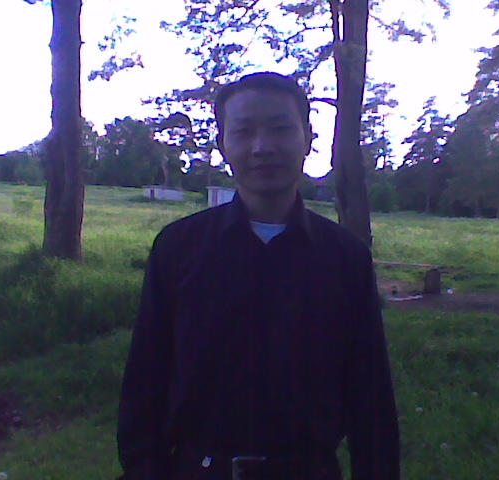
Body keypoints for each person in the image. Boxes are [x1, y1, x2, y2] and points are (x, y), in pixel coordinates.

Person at [117, 72, 400, 480]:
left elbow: (371, 399)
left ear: (308, 138)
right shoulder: (179, 248)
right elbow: (145, 383)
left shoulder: (345, 258)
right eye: (244, 131)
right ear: (223, 143)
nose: (262, 147)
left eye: (280, 129)